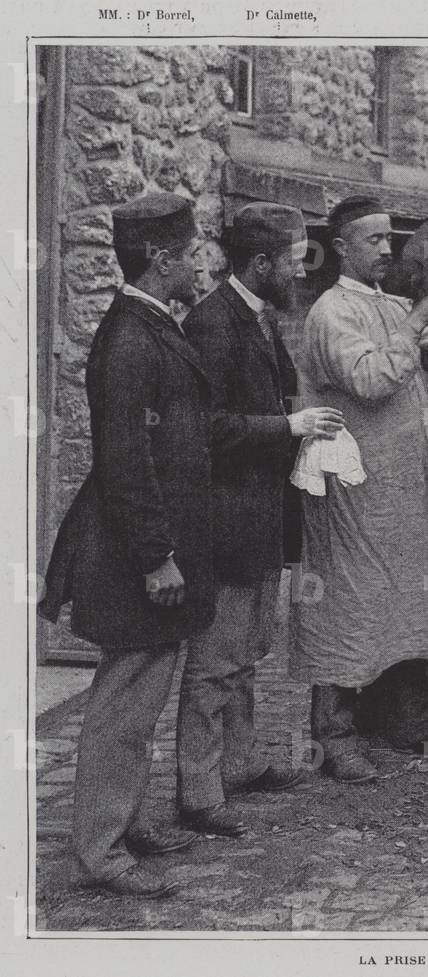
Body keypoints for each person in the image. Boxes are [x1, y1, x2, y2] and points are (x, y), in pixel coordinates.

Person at [39, 193, 213, 897]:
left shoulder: (148, 324)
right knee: (121, 709)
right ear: (160, 259)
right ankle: (101, 851)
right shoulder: (131, 338)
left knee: (141, 703)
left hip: (149, 551)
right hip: (132, 557)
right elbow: (124, 460)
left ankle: (125, 822)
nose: (200, 264)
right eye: (192, 254)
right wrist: (156, 556)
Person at [288, 196, 428, 784]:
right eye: (371, 240)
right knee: (347, 606)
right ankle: (334, 735)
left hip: (400, 491)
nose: (385, 249)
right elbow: (372, 380)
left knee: (404, 601)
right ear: (341, 248)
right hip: (352, 490)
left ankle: (412, 723)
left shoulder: (395, 304)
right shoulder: (332, 312)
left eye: (388, 239)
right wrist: (414, 322)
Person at [174, 203, 346, 837]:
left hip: (258, 520)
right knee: (215, 661)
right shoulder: (215, 325)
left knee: (244, 653)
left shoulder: (255, 316)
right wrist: (289, 426)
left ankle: (240, 765)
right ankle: (197, 791)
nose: (302, 272)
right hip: (226, 524)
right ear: (261, 263)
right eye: (296, 261)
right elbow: (205, 430)